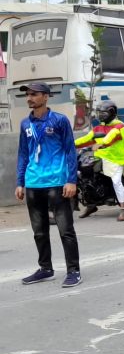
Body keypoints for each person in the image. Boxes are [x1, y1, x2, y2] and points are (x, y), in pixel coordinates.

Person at [15, 82, 82, 287]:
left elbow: (71, 151)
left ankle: (74, 271)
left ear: (46, 97)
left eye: (34, 94)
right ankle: (45, 268)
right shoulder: (26, 124)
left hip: (57, 182)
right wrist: (20, 182)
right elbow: (23, 154)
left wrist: (71, 180)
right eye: (28, 95)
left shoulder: (60, 121)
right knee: (39, 231)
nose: (29, 98)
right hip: (33, 182)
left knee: (65, 230)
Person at [75, 99, 124, 221]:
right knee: (87, 175)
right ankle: (92, 204)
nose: (100, 116)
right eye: (99, 113)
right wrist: (70, 143)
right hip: (103, 156)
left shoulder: (119, 126)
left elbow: (109, 138)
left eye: (103, 113)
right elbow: (87, 138)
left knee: (116, 181)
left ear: (111, 113)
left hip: (117, 158)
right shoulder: (98, 128)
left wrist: (101, 145)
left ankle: (123, 209)